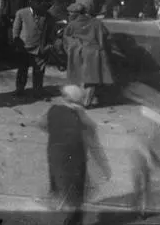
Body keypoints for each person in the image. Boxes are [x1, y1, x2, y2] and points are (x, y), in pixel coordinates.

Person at [42, 85, 111, 225]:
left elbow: (41, 124)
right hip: (75, 161)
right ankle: (72, 218)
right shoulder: (82, 118)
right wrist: (103, 164)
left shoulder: (53, 110)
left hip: (55, 156)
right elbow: (93, 143)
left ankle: (64, 212)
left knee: (61, 189)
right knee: (75, 195)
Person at [62, 3, 114, 107]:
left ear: (76, 13)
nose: (69, 15)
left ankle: (85, 101)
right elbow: (107, 36)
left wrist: (73, 48)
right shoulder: (97, 23)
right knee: (92, 79)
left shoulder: (72, 24)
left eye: (70, 13)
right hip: (94, 53)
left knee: (82, 78)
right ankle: (87, 101)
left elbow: (66, 39)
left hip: (78, 53)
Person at [12, 0, 56, 99]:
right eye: (37, 2)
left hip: (40, 48)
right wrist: (17, 43)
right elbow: (16, 30)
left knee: (39, 71)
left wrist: (49, 45)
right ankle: (20, 89)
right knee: (22, 69)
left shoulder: (47, 15)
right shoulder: (21, 13)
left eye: (41, 2)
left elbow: (51, 32)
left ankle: (37, 90)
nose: (40, 5)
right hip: (24, 48)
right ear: (30, 2)